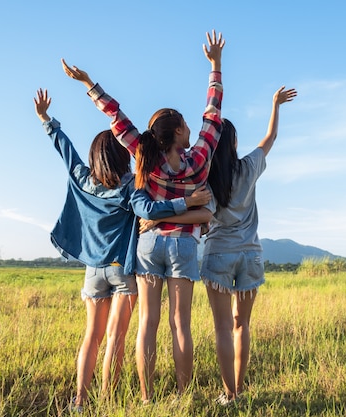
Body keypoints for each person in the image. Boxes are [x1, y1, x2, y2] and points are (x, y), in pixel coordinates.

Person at [61, 30, 225, 401]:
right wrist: (215, 66)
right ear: (180, 132)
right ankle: (183, 396)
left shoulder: (145, 158)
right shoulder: (198, 159)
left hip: (149, 244)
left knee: (146, 325)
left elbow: (116, 118)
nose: (190, 128)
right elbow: (213, 116)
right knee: (180, 324)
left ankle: (148, 397)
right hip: (182, 245)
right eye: (185, 124)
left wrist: (89, 84)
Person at [33, 89, 211, 411]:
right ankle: (106, 399)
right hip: (123, 270)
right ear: (120, 156)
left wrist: (48, 122)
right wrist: (186, 203)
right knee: (115, 338)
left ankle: (79, 400)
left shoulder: (82, 178)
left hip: (92, 271)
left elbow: (66, 151)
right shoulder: (130, 185)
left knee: (92, 336)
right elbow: (150, 209)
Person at [202, 86, 297, 405]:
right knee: (242, 325)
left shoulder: (206, 179)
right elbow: (269, 139)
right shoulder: (249, 166)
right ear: (235, 144)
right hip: (251, 256)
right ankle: (239, 391)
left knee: (223, 328)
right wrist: (275, 105)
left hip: (218, 255)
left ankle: (229, 395)